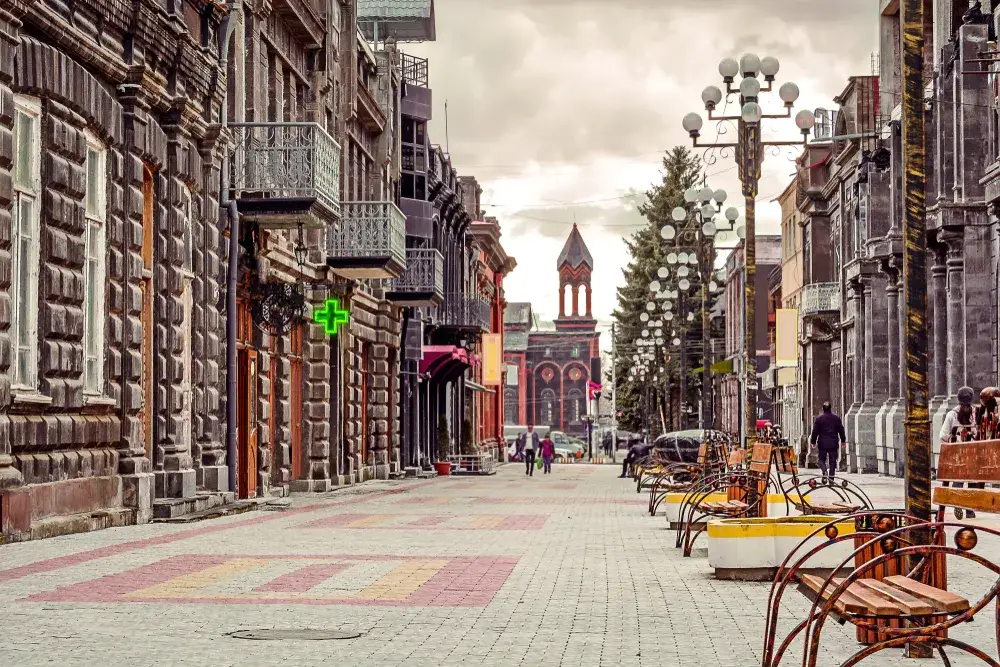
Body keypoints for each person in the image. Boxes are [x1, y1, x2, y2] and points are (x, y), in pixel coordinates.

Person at [939, 386, 979, 519]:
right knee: (965, 481)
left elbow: (943, 435)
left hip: (965, 453)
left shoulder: (969, 414)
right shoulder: (958, 414)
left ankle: (963, 505)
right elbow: (943, 434)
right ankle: (963, 506)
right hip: (966, 453)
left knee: (965, 481)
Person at [810, 401, 846, 484]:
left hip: (822, 443)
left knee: (821, 460)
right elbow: (841, 430)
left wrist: (813, 441)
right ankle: (831, 479)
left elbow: (815, 431)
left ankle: (824, 471)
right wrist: (843, 440)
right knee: (833, 461)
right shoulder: (836, 418)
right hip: (833, 443)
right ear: (831, 408)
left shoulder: (819, 419)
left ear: (823, 409)